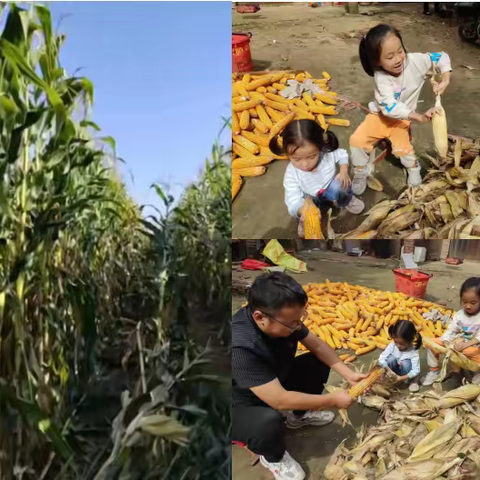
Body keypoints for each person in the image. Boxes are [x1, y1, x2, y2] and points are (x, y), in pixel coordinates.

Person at [232, 272, 367, 480]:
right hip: (236, 403)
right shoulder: (240, 346)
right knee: (268, 420)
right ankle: (273, 457)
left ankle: (298, 417)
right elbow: (279, 400)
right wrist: (332, 399)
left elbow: (318, 345)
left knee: (316, 361)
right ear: (260, 317)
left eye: (300, 319)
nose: (298, 325)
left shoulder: (283, 319)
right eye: (293, 322)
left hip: (270, 380)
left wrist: (349, 374)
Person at [349, 24, 452, 194]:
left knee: (403, 149)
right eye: (390, 56)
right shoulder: (381, 77)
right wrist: (417, 116)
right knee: (357, 142)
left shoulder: (415, 61)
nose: (398, 59)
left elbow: (441, 57)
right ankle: (361, 172)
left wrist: (445, 79)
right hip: (380, 116)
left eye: (400, 51)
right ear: (377, 61)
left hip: (402, 120)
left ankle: (413, 170)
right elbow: (389, 107)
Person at [269, 119, 365, 238]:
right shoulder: (291, 173)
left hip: (330, 188)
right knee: (303, 205)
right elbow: (292, 199)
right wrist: (303, 211)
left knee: (342, 184)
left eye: (311, 157)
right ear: (288, 154)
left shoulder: (327, 155)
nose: (305, 164)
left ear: (320, 148)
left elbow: (342, 154)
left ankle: (345, 200)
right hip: (310, 197)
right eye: (296, 159)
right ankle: (305, 220)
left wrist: (344, 171)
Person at [422, 277, 480, 386]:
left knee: (469, 353)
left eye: (473, 302)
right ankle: (434, 371)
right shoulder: (459, 315)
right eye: (464, 301)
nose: (468, 306)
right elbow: (451, 330)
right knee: (430, 343)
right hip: (457, 344)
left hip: (475, 348)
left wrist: (466, 344)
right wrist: (447, 341)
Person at [378, 320, 421, 392]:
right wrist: (389, 370)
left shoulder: (413, 351)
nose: (398, 346)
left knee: (406, 363)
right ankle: (393, 377)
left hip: (406, 373)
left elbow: (416, 370)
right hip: (394, 371)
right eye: (396, 342)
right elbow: (381, 359)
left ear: (410, 341)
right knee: (390, 359)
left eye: (402, 344)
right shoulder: (392, 346)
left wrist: (401, 378)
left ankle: (413, 380)